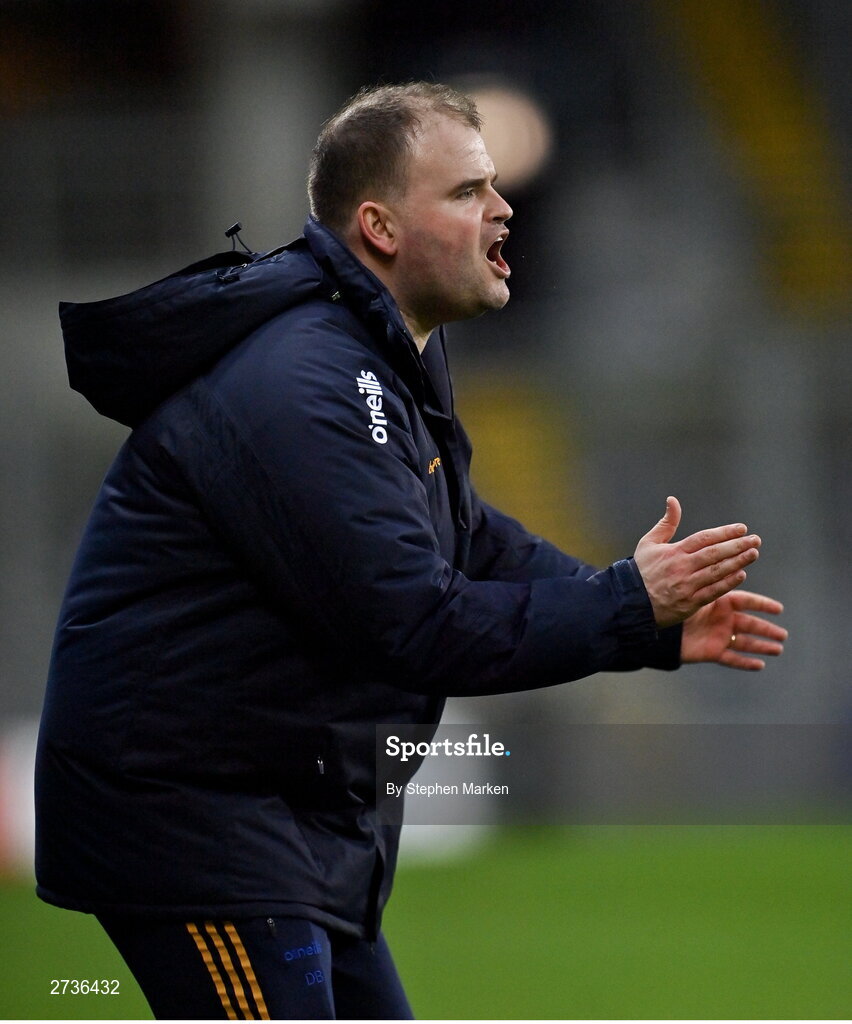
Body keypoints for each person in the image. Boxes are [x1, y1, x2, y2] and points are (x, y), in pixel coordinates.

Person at [34, 81, 787, 1020]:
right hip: (193, 827)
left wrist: (646, 614)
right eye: (468, 191)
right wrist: (626, 605)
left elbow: (468, 538)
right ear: (381, 228)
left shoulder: (381, 355)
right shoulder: (304, 379)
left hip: (283, 823)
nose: (503, 207)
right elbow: (416, 621)